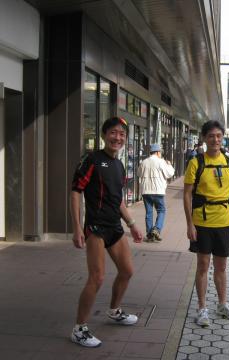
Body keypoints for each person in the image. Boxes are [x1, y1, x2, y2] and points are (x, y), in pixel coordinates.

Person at [70, 117, 143, 348]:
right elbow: (75, 192)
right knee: (97, 277)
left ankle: (114, 311)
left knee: (127, 271)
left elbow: (118, 200)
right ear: (104, 135)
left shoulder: (119, 165)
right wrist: (76, 228)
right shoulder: (91, 159)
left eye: (122, 134)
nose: (118, 138)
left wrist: (132, 224)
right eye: (113, 133)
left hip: (115, 227)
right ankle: (79, 329)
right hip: (96, 228)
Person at [183, 120, 229, 327]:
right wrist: (189, 224)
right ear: (204, 138)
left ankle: (222, 304)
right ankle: (201, 308)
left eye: (218, 135)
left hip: (224, 221)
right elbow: (187, 194)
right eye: (211, 136)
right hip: (202, 221)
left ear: (222, 137)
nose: (215, 139)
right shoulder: (196, 162)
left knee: (221, 266)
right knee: (202, 265)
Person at [138, 143, 175, 242]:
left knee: (149, 213)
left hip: (146, 191)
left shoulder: (144, 162)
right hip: (158, 191)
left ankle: (150, 234)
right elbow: (170, 173)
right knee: (161, 210)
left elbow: (138, 173)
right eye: (160, 152)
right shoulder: (161, 162)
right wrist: (169, 165)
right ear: (158, 152)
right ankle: (157, 229)